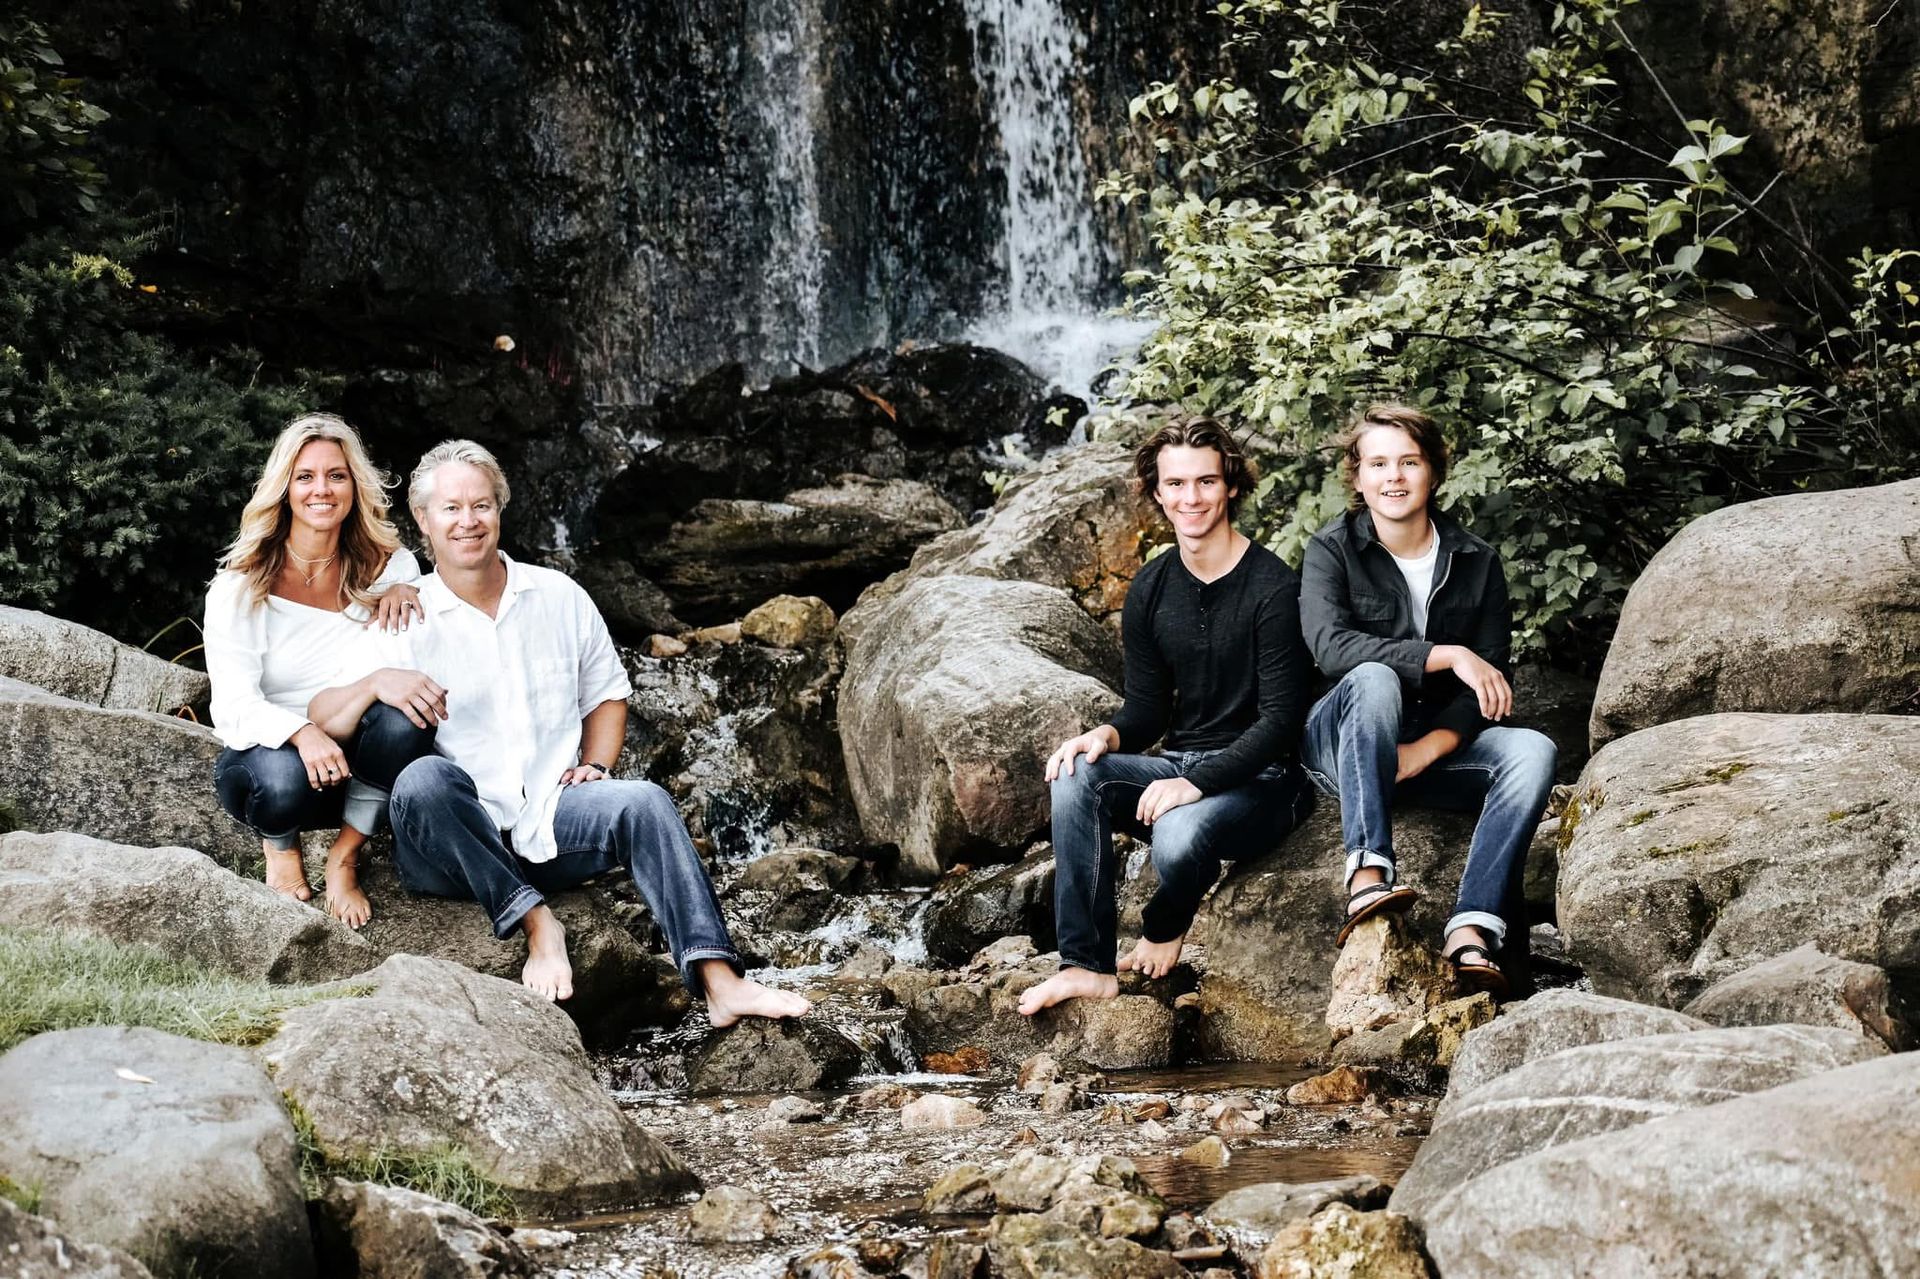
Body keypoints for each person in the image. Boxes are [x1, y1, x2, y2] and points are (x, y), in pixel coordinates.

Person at [307, 439, 810, 1025]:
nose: (468, 522)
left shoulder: (558, 596)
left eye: (481, 506)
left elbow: (606, 693)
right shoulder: (405, 613)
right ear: (423, 519)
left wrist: (596, 766)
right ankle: (537, 923)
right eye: (451, 509)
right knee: (421, 778)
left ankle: (721, 982)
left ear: (500, 509)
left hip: (551, 824)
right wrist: (377, 680)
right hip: (451, 845)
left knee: (644, 802)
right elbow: (325, 712)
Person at [1019, 417, 1317, 1015]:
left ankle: (1164, 923)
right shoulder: (1152, 587)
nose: (1191, 498)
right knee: (1076, 774)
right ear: (1156, 493)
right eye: (1175, 484)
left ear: (1231, 486)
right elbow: (1148, 709)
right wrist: (1106, 733)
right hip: (1183, 766)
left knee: (1179, 836)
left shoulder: (1274, 587)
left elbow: (1283, 720)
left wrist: (1192, 785)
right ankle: (1087, 965)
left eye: (1206, 482)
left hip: (1267, 783)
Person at [1298, 403, 1557, 995]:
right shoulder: (1331, 550)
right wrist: (1447, 655)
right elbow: (1333, 649)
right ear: (1358, 477)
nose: (1394, 477)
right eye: (1379, 463)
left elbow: (1489, 690)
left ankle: (1470, 928)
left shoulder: (1476, 561)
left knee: (1533, 750)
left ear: (1434, 473)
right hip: (1344, 745)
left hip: (1420, 753)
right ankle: (1367, 871)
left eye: (1409, 462)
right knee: (1372, 676)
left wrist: (1425, 750)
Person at [206, 413, 436, 926]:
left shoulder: (391, 570)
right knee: (281, 781)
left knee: (408, 717)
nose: (322, 490)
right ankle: (281, 847)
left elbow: (400, 673)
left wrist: (410, 591)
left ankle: (345, 854)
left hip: (359, 766)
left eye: (336, 475)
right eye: (305, 476)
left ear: (355, 485)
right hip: (276, 762)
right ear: (284, 487)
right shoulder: (240, 587)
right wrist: (303, 732)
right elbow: (234, 706)